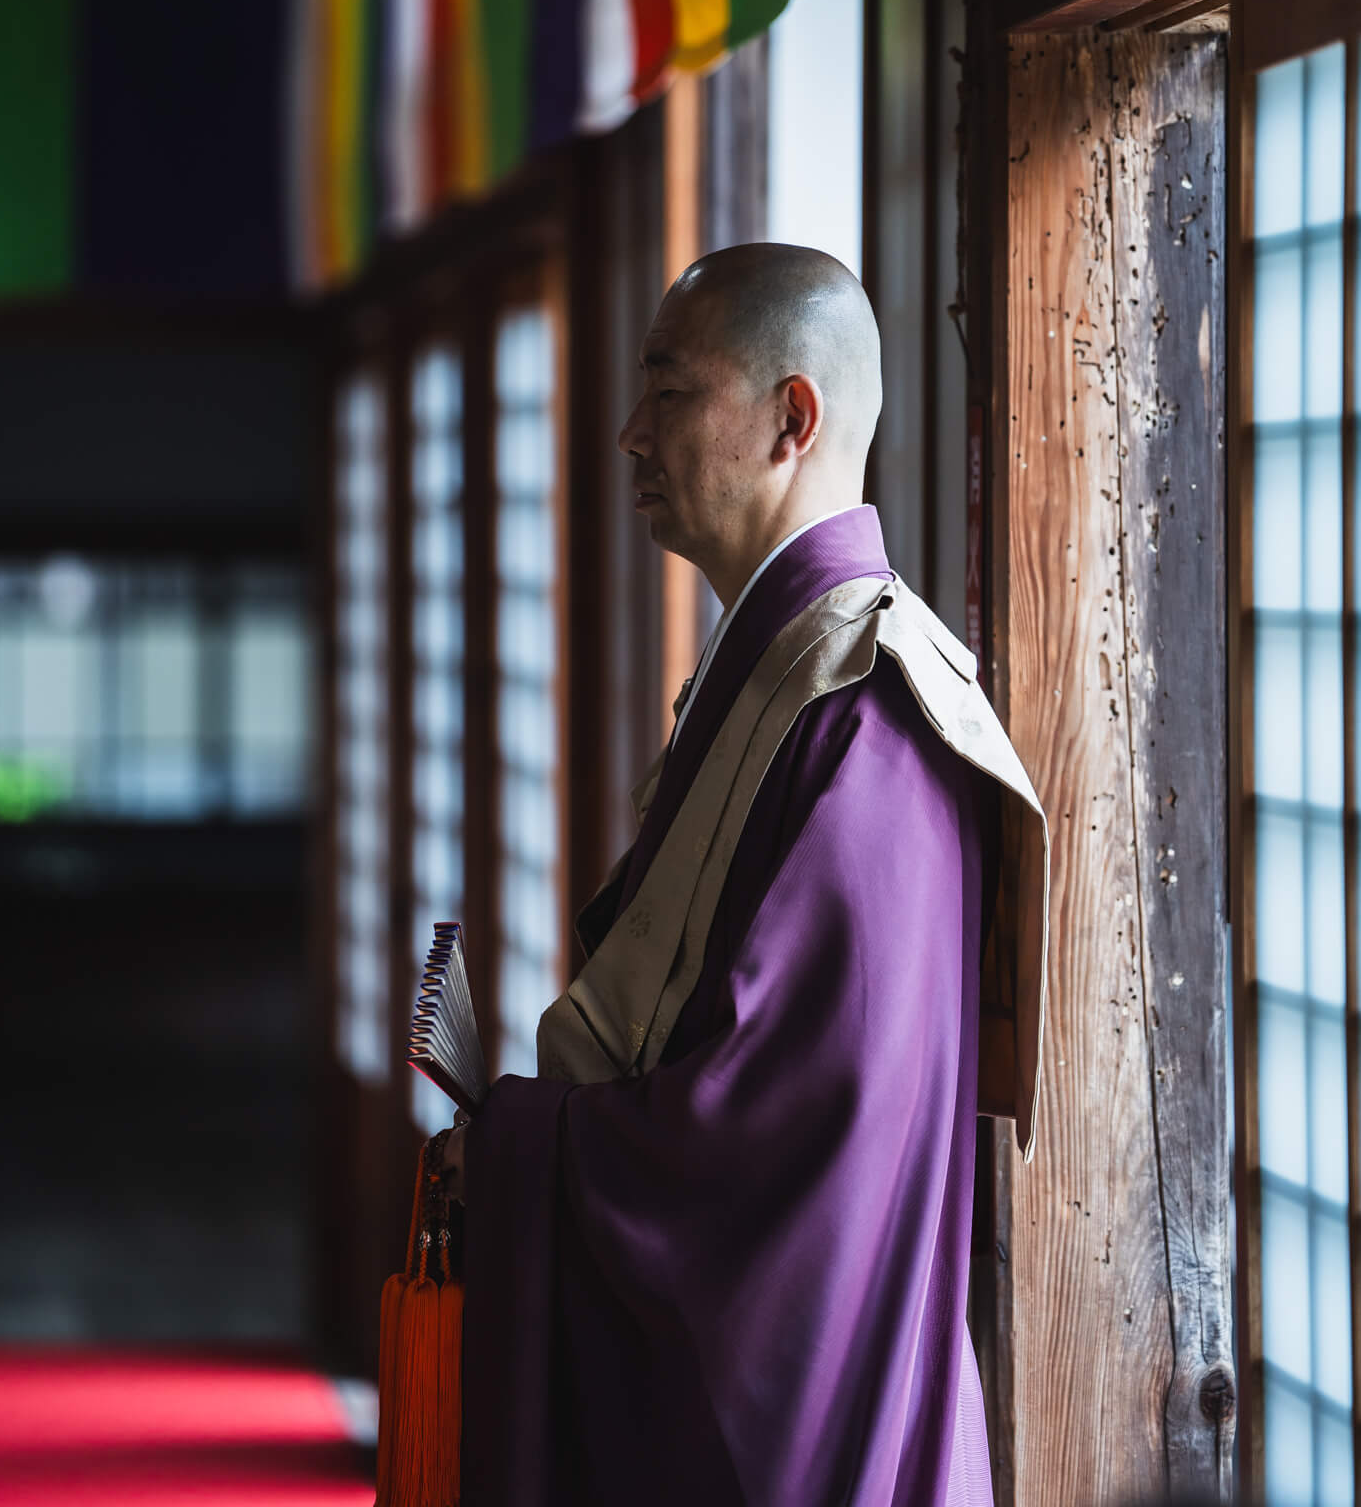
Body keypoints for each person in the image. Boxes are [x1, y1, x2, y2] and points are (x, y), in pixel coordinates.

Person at [433, 243, 1046, 1505]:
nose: (627, 432)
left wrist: (516, 1145)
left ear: (792, 419)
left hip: (807, 1424)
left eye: (667, 390)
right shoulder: (785, 669)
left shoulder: (865, 715)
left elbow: (782, 1133)